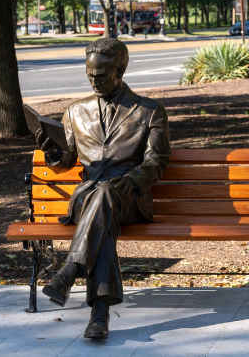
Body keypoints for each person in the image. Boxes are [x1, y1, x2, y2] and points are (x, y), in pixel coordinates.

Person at [35, 38, 170, 340]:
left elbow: (156, 162)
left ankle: (69, 273)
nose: (93, 81)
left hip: (129, 197)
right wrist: (53, 153)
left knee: (107, 196)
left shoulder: (149, 111)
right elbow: (66, 161)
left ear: (120, 69)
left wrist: (130, 180)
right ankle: (98, 316)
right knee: (101, 207)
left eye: (101, 75)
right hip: (88, 199)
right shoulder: (75, 111)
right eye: (89, 75)